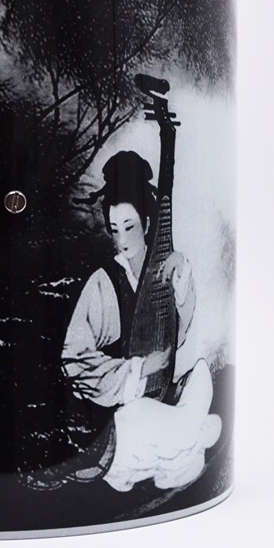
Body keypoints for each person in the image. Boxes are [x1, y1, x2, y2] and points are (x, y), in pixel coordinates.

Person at [60, 150, 221, 492]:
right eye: (114, 229)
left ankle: (180, 448)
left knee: (201, 374)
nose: (121, 241)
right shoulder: (102, 282)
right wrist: (139, 368)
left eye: (129, 227)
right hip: (116, 424)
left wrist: (180, 278)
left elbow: (177, 339)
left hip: (155, 404)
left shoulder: (162, 268)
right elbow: (72, 359)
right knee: (139, 417)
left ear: (147, 224)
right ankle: (188, 441)